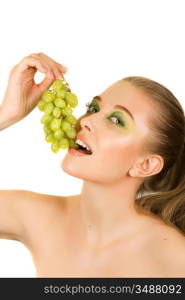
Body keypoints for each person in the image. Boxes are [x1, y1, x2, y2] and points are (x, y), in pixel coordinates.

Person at [0, 53, 185, 278]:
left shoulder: (174, 257)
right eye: (94, 108)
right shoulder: (38, 217)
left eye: (117, 120)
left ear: (145, 165)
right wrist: (5, 115)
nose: (86, 120)